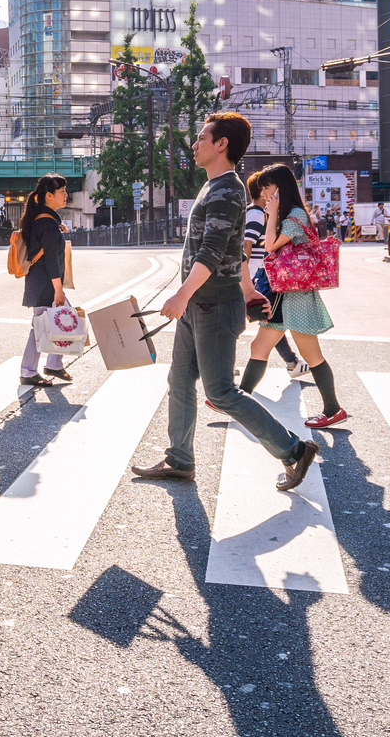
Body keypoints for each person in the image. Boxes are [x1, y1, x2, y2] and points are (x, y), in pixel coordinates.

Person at [133, 112, 319, 493]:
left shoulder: (226, 190)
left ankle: (293, 450)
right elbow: (237, 247)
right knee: (180, 380)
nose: (195, 144)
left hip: (211, 306)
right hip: (200, 304)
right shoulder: (213, 186)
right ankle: (179, 459)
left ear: (222, 144)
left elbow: (213, 251)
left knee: (220, 391)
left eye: (202, 138)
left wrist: (182, 294)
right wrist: (247, 288)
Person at [239, 164, 346, 427]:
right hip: (283, 294)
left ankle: (333, 409)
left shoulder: (295, 215)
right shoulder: (289, 213)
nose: (263, 193)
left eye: (267, 187)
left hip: (296, 296)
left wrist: (272, 213)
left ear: (281, 187)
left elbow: (270, 244)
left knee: (311, 355)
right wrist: (273, 213)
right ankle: (238, 402)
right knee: (259, 347)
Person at [16, 173, 71, 386]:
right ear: (49, 196)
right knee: (41, 328)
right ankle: (28, 371)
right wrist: (58, 290)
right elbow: (50, 261)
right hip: (45, 284)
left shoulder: (44, 221)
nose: (66, 195)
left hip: (41, 283)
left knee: (60, 320)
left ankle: (54, 365)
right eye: (62, 191)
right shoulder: (47, 224)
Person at [242, 182, 302, 376]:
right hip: (250, 279)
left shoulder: (254, 212)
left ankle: (292, 362)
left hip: (251, 278)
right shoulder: (257, 214)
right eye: (268, 189)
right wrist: (245, 280)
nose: (272, 193)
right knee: (241, 322)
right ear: (261, 192)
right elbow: (246, 245)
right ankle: (221, 369)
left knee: (269, 321)